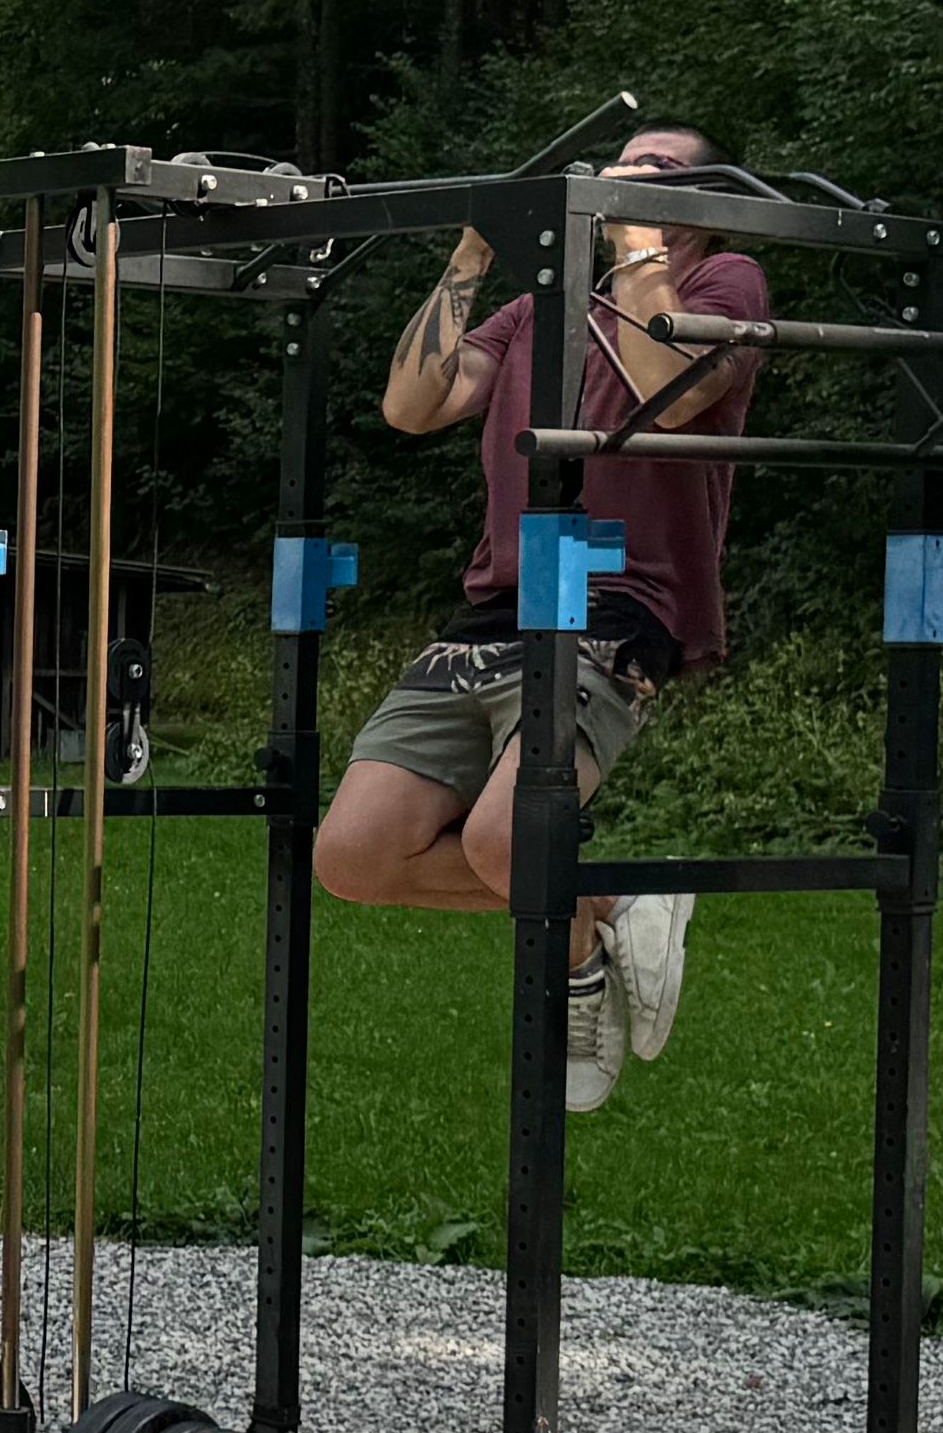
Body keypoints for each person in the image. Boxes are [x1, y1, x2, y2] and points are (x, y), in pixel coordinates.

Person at [310, 124, 765, 1111]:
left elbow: (668, 395)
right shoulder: (539, 309)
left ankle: (579, 975)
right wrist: (472, 254)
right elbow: (412, 405)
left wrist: (638, 239)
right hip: (498, 606)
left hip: (619, 599)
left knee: (505, 839)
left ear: (704, 199)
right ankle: (611, 904)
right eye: (623, 162)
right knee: (353, 855)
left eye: (656, 168)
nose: (626, 174)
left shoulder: (726, 282)